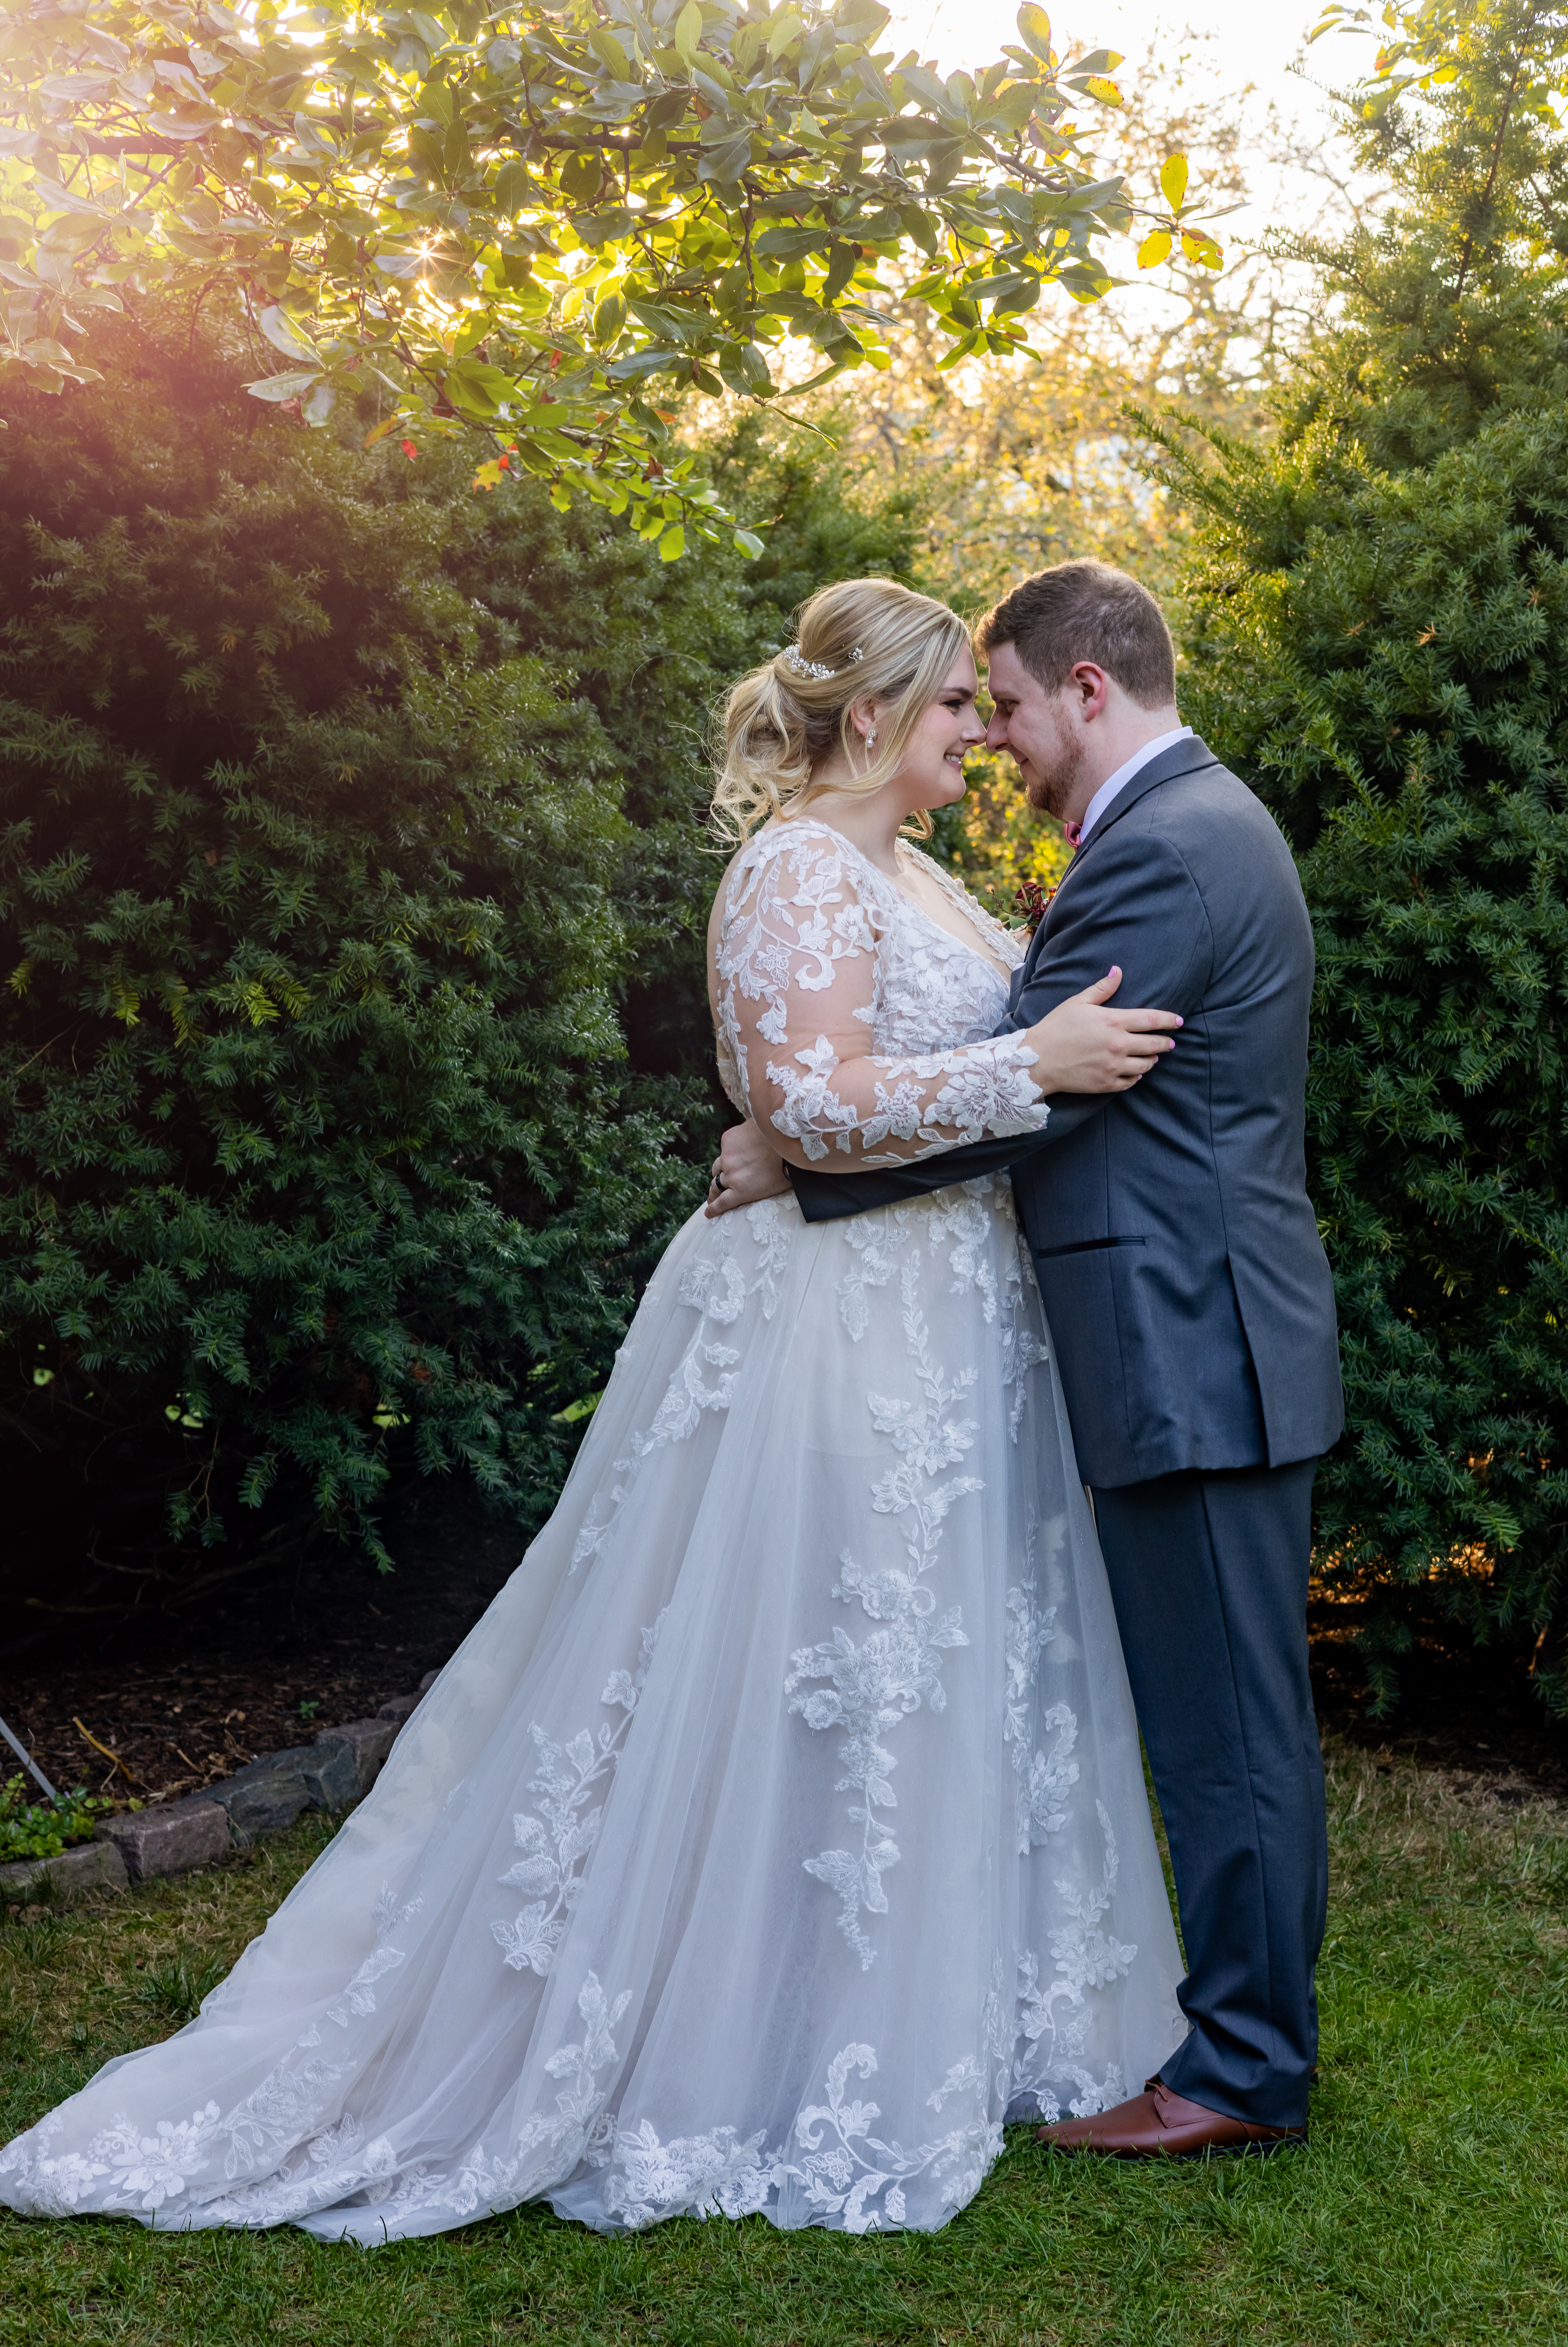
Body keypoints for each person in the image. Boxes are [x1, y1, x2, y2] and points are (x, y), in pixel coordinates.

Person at [0, 577, 1187, 2242]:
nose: (977, 740)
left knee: (904, 1664)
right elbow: (812, 1101)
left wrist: (906, 1104)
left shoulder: (904, 871)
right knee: (801, 1661)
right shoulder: (792, 869)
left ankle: (915, 2006)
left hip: (934, 1320)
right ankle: (728, 2033)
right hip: (828, 1334)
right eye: (949, 714)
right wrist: (1020, 1071)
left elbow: (831, 1107)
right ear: (871, 718)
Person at [712, 559, 1344, 2158]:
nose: (987, 737)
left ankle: (1242, 2074)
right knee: (1220, 1723)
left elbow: (1043, 1084)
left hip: (1185, 1341)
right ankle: (1234, 2049)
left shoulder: (1162, 853)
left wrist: (796, 1156)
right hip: (1187, 1329)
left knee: (1226, 1736)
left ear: (1082, 688)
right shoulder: (1180, 831)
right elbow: (1016, 1053)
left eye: (997, 703)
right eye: (957, 706)